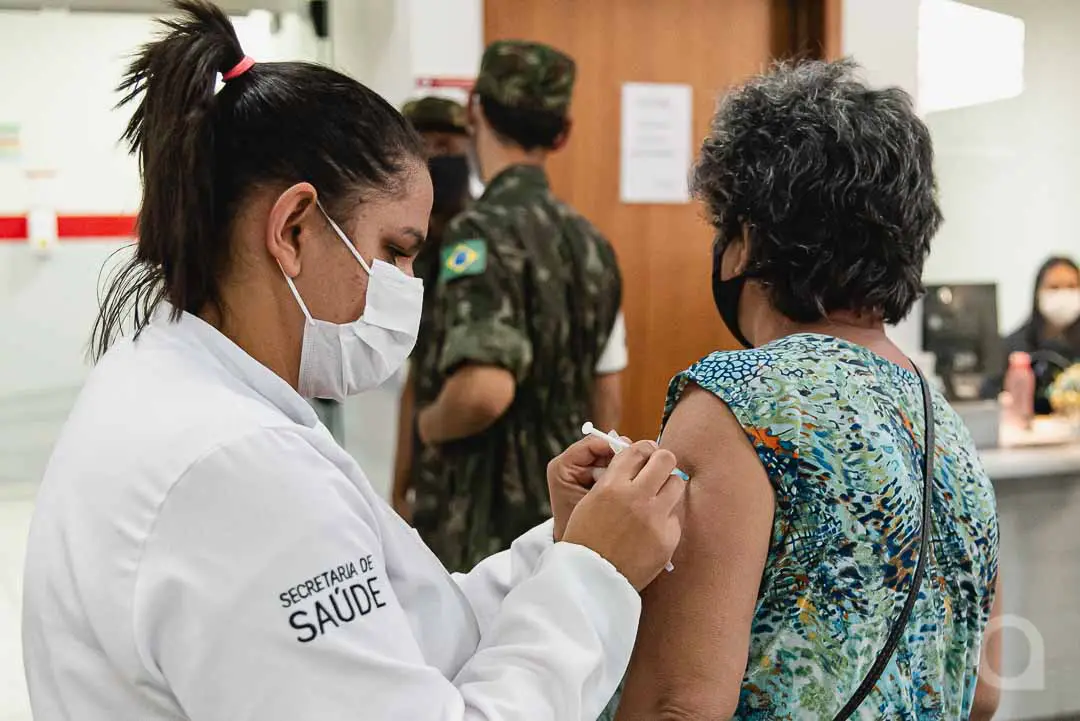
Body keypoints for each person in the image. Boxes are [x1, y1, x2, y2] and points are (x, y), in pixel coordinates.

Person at [20, 4, 686, 720]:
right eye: (395, 250)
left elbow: (413, 632)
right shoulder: (238, 468)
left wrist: (563, 546)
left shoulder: (173, 383)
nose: (407, 284)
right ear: (293, 229)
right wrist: (593, 575)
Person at [609, 60, 1001, 721]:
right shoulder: (944, 424)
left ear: (746, 241)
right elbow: (982, 691)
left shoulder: (740, 404)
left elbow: (680, 701)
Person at [407, 40, 627, 570]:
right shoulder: (591, 243)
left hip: (480, 526)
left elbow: (483, 392)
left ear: (475, 110)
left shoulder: (476, 234)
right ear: (561, 133)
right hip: (565, 512)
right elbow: (607, 389)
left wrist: (427, 425)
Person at [393, 96, 473, 519]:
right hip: (436, 485)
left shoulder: (491, 241)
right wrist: (399, 485)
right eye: (423, 147)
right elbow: (417, 374)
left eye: (446, 146)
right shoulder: (408, 252)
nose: (435, 158)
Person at [990, 256, 1080, 414]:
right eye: (1054, 287)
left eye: (1072, 287)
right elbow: (990, 391)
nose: (1063, 294)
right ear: (1038, 293)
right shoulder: (1015, 346)